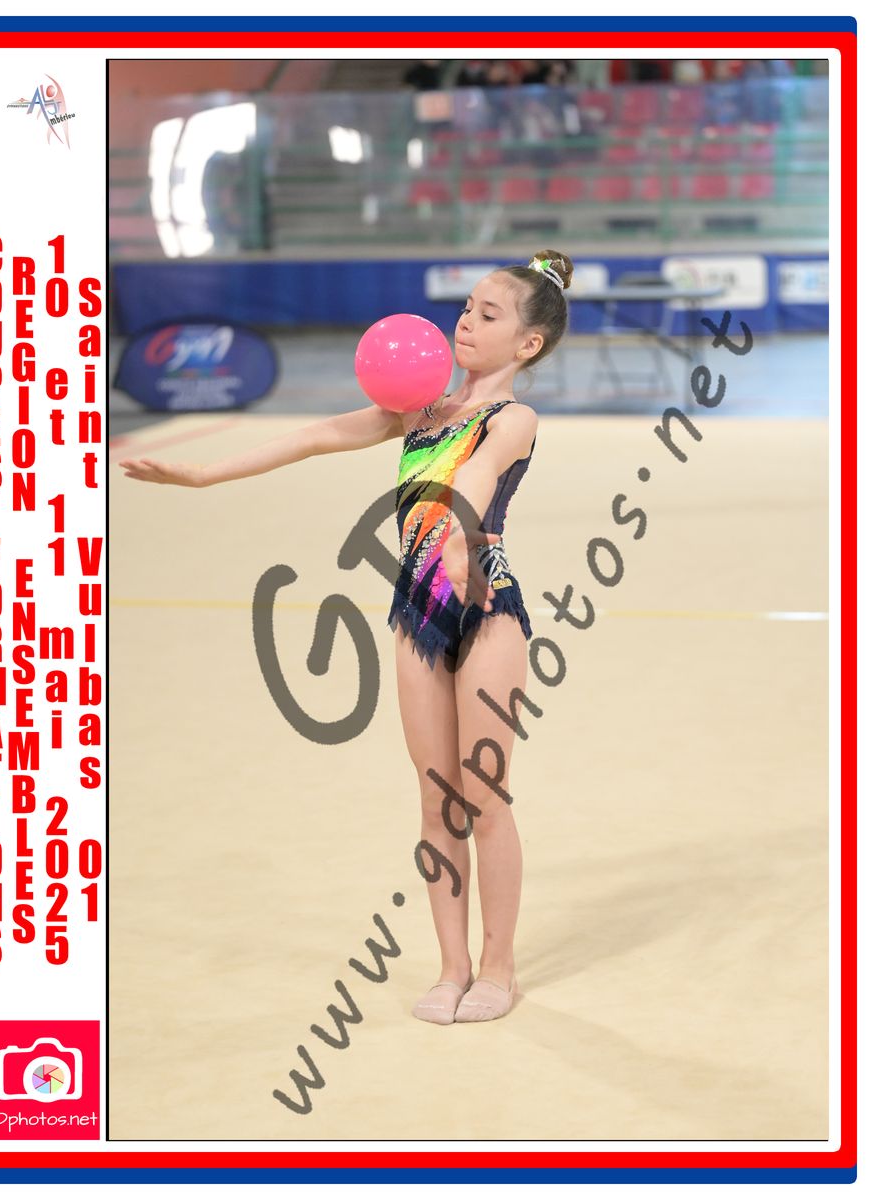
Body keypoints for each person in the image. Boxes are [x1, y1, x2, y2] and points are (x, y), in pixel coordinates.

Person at [118, 249, 574, 1025]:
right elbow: (317, 434)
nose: (466, 322)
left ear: (528, 344)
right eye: (466, 307)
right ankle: (452, 967)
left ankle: (498, 969)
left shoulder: (512, 419)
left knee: (484, 798)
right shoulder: (418, 411)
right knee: (436, 801)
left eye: (488, 315)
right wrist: (205, 475)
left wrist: (460, 530)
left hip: (485, 604)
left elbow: (479, 473)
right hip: (416, 607)